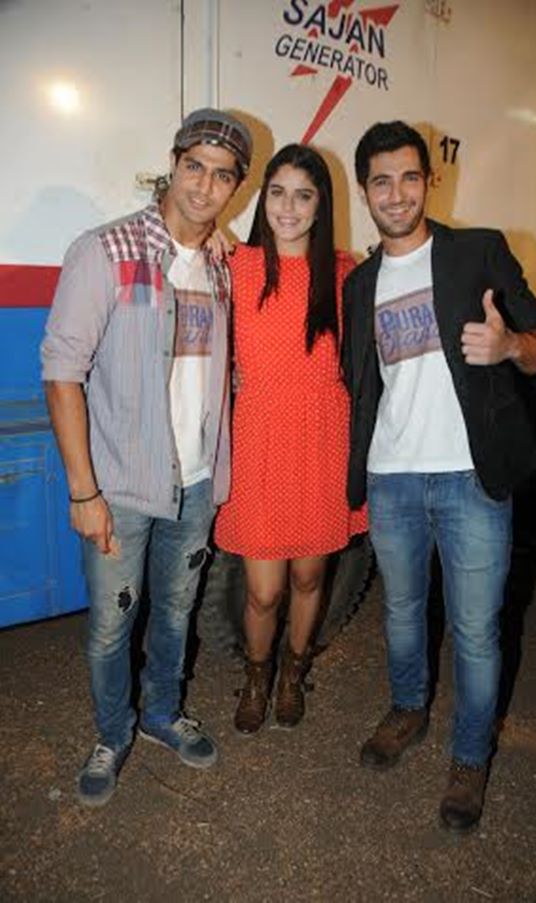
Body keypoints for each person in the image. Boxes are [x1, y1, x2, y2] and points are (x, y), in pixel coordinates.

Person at [342, 120, 536, 831]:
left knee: (475, 629)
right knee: (403, 613)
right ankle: (408, 708)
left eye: (409, 177)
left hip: (469, 477)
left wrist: (509, 344)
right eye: (381, 181)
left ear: (429, 181)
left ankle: (470, 757)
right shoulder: (360, 283)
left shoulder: (477, 251)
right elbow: (359, 383)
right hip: (392, 477)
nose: (396, 194)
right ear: (365, 190)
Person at [41, 108, 252, 807]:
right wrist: (84, 492)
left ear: (236, 188)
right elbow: (62, 372)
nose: (204, 186)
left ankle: (162, 713)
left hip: (196, 483)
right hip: (122, 488)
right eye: (194, 166)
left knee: (177, 610)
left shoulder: (222, 266)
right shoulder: (107, 250)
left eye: (222, 175)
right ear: (173, 163)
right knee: (111, 623)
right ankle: (113, 731)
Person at [214, 144, 367, 734]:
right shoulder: (237, 265)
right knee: (262, 591)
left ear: (321, 205)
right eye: (277, 192)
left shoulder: (346, 276)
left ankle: (292, 675)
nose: (288, 207)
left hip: (322, 442)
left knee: (309, 578)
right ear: (262, 198)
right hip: (258, 442)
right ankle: (257, 674)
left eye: (304, 196)